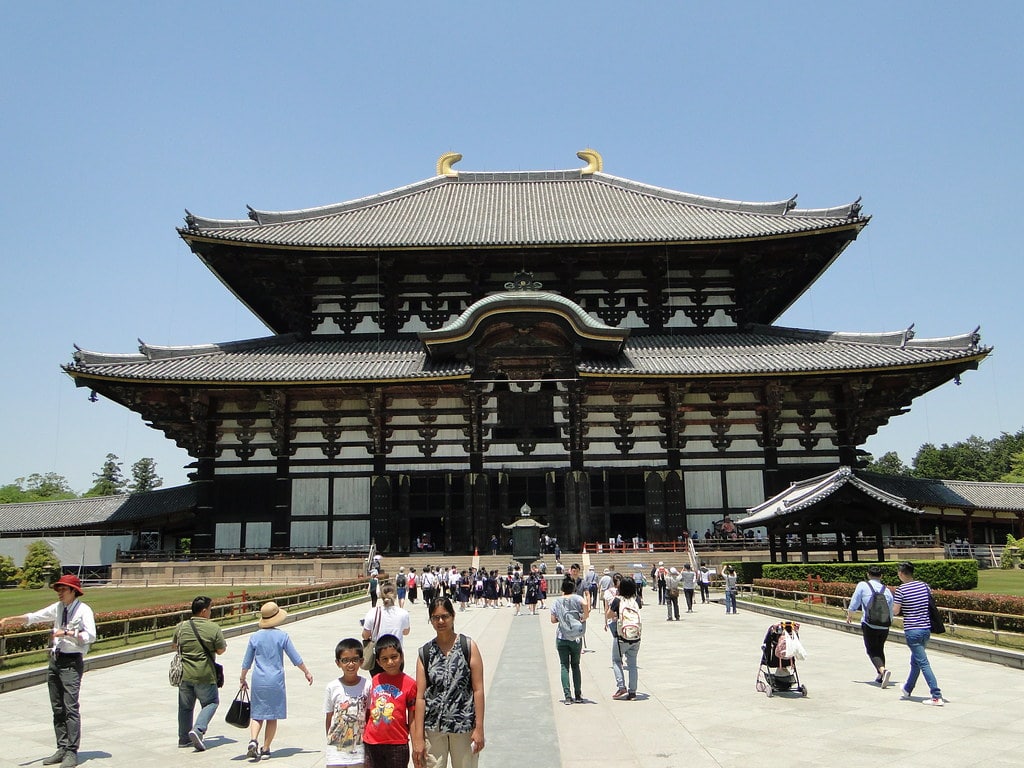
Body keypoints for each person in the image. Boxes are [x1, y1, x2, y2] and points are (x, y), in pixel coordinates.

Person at [0, 574, 96, 768]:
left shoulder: (84, 610)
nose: (59, 593)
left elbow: (91, 635)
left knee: (70, 707)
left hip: (71, 662)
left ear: (73, 591)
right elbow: (36, 616)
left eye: (63, 589)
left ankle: (71, 751)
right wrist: (10, 619)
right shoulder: (59, 608)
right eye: (58, 589)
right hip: (55, 661)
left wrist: (68, 633)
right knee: (57, 707)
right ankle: (61, 747)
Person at [412, 597, 485, 768]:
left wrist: (479, 727)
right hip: (434, 727)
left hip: (464, 725)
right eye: (435, 617)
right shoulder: (426, 652)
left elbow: (478, 689)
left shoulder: (468, 646)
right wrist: (418, 737)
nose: (440, 621)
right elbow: (420, 697)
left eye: (445, 616)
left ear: (453, 616)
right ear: (430, 620)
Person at [240, 601, 314, 759]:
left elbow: (247, 661)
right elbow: (295, 657)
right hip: (275, 679)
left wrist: (242, 677)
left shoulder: (255, 637)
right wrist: (306, 672)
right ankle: (266, 748)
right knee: (272, 716)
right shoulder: (282, 636)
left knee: (257, 714)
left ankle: (253, 740)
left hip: (258, 679)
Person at [172, 595, 227, 751]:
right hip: (205, 674)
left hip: (184, 675)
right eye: (210, 609)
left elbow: (175, 645)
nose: (210, 612)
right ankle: (198, 729)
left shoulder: (181, 626)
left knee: (185, 707)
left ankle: (183, 739)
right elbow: (221, 650)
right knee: (211, 702)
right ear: (204, 611)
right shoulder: (213, 628)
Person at [893, 561, 944, 706]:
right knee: (915, 661)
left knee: (923, 663)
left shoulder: (901, 590)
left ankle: (936, 695)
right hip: (926, 629)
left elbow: (896, 611)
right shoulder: (924, 586)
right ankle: (908, 688)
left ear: (902, 574)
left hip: (912, 629)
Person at [364, 634, 417, 768]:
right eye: (385, 659)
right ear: (378, 662)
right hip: (371, 742)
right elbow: (368, 711)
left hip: (397, 744)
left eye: (394, 657)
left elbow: (413, 718)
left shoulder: (410, 684)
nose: (390, 662)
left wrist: (417, 745)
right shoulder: (375, 680)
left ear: (401, 656)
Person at [324, 637, 371, 768]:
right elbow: (329, 717)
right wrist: (330, 740)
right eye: (345, 660)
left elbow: (368, 713)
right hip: (336, 749)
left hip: (359, 747)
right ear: (338, 663)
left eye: (355, 659)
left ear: (361, 661)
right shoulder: (332, 687)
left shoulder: (367, 685)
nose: (350, 664)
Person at [846, 565, 894, 687]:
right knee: (879, 648)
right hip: (884, 626)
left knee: (871, 650)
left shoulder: (863, 585)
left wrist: (850, 614)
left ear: (868, 574)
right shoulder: (886, 590)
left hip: (869, 624)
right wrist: (889, 622)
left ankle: (883, 671)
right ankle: (880, 675)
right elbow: (890, 610)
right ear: (881, 576)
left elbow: (855, 601)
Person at [550, 577, 591, 704]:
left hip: (562, 637)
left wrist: (562, 620)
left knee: (564, 666)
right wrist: (584, 616)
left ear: (562, 588)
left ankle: (567, 696)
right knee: (575, 665)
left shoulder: (556, 601)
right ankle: (578, 695)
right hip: (576, 638)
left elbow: (553, 620)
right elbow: (585, 605)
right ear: (573, 588)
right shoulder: (577, 598)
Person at [606, 576, 641, 700]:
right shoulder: (637, 599)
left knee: (616, 660)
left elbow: (609, 615)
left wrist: (617, 614)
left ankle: (621, 687)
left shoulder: (618, 600)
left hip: (622, 636)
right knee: (632, 664)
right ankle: (633, 692)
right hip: (636, 636)